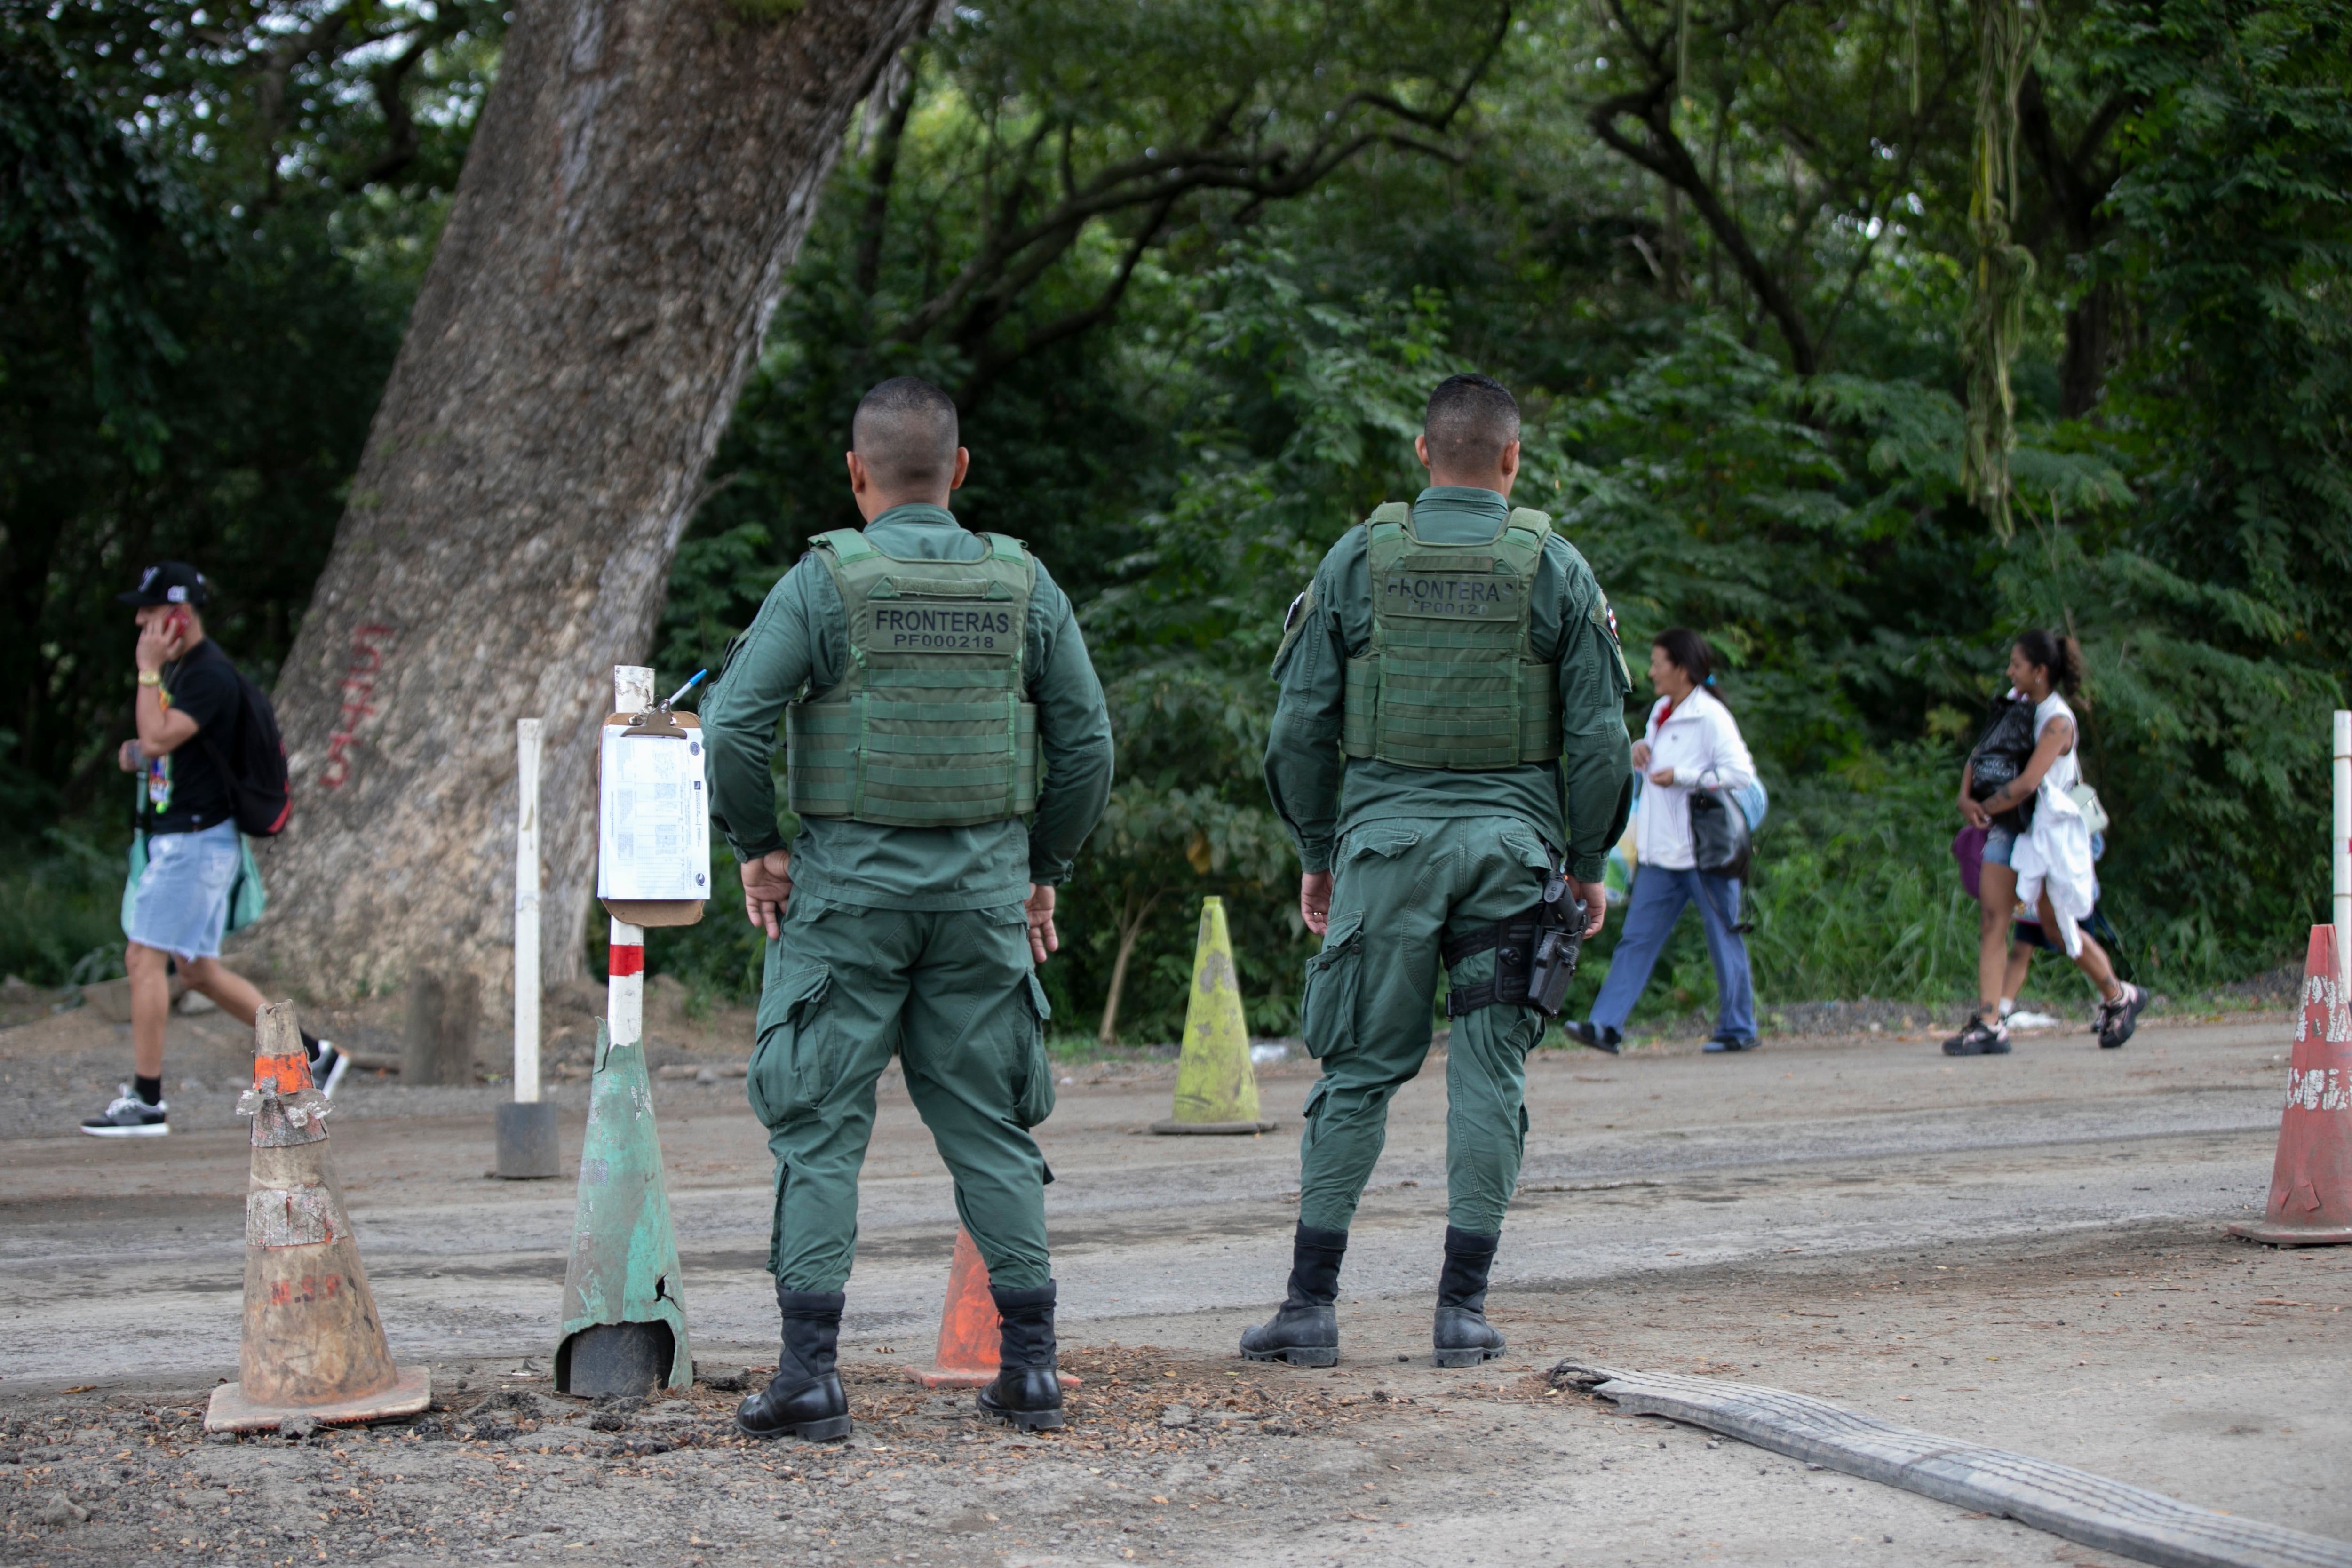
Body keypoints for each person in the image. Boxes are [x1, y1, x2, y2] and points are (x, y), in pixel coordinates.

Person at [701, 377, 1114, 1440]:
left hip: (846, 903)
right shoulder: (1023, 585)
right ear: (960, 470)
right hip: (981, 903)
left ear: (856, 471)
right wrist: (1041, 865)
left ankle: (809, 1379)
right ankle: (1028, 1371)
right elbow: (1086, 746)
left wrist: (760, 851)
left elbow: (736, 727)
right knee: (989, 1129)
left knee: (819, 1133)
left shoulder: (823, 582)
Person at [1248, 373, 1632, 1370]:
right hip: (1512, 857)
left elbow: (1296, 732)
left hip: (1381, 855)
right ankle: (1460, 1313)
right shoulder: (1555, 567)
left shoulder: (1358, 560)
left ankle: (1309, 1307)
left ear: (1423, 454)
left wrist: (1318, 852)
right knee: (1487, 1072)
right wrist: (1587, 864)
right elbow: (1597, 740)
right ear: (1511, 459)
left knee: (1360, 1070)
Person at [81, 564, 340, 1138]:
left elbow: (156, 736)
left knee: (141, 959)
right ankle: (309, 1053)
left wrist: (147, 675)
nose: (139, 624)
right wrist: (138, 749)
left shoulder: (206, 675)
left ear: (178, 617)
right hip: (185, 839)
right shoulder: (184, 672)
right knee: (196, 971)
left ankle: (147, 1100)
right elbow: (157, 747)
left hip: (195, 843)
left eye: (148, 615)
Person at [1945, 630, 2146, 1056]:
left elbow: (2026, 784)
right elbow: (1980, 755)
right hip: (2008, 826)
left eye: (2016, 665)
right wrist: (1966, 798)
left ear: (2039, 672)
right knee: (1993, 919)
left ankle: (2118, 996)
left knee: (2056, 927)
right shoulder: (2015, 706)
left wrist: (1984, 807)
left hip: (2047, 834)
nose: (2009, 671)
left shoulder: (2057, 722)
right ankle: (1989, 1023)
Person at [1563, 629, 1760, 1054]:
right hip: (1659, 853)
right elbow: (1654, 755)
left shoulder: (1710, 716)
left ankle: (1739, 1028)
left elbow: (1740, 774)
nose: (1651, 671)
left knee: (1724, 935)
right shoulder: (1660, 711)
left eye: (1658, 664)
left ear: (1683, 670)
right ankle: (1606, 1026)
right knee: (1636, 938)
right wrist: (1639, 747)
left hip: (1703, 853)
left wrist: (1685, 778)